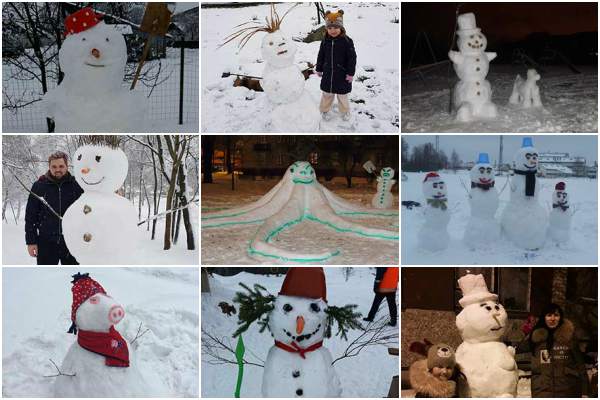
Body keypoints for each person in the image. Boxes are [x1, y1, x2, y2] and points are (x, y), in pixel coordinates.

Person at [25, 151, 83, 265]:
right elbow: (30, 216)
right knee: (45, 274)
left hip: (72, 242)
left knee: (74, 273)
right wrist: (31, 242)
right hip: (46, 243)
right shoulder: (39, 186)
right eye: (54, 166)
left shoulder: (77, 185)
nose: (58, 169)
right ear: (49, 167)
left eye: (61, 166)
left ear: (67, 166)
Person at [522, 303, 589, 398]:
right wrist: (527, 332)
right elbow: (517, 349)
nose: (552, 318)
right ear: (544, 318)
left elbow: (580, 365)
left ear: (560, 317)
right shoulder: (536, 338)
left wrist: (585, 391)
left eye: (556, 315)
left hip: (567, 391)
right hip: (543, 392)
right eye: (549, 315)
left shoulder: (568, 337)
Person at [315, 9, 357, 122]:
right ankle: (324, 110)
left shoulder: (347, 41)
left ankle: (344, 112)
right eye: (330, 28)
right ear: (326, 29)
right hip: (328, 73)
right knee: (327, 94)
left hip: (342, 74)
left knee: (342, 95)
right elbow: (321, 55)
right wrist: (319, 68)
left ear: (341, 28)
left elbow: (352, 58)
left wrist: (350, 73)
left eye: (336, 28)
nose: (333, 30)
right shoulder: (325, 41)